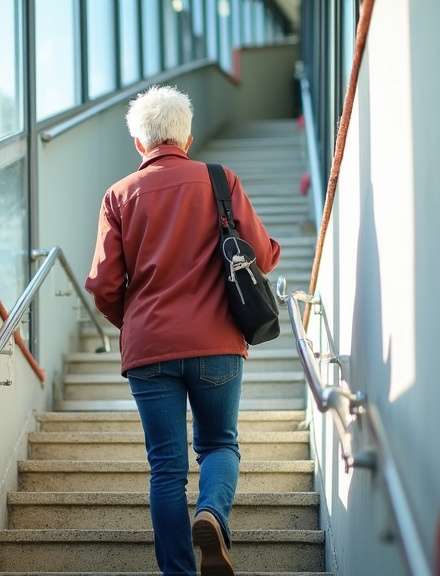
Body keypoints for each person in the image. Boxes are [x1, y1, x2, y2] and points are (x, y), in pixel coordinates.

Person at [84, 85, 281, 576]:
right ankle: (212, 514)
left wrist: (133, 322)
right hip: (216, 344)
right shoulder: (221, 181)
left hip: (149, 350)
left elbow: (105, 286)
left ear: (139, 144)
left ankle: (178, 572)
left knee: (166, 468)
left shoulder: (119, 195)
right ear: (187, 137)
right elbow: (260, 254)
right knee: (218, 445)